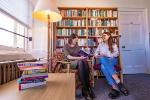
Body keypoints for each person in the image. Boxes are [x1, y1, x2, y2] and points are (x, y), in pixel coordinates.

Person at [94, 32, 129, 99]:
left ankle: (115, 87)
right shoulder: (100, 45)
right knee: (103, 64)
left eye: (105, 35)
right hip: (104, 60)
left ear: (109, 36)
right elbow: (95, 54)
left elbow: (116, 54)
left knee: (103, 64)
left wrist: (107, 55)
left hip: (112, 60)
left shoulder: (113, 44)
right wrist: (98, 55)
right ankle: (118, 83)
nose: (103, 37)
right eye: (102, 35)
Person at [63, 34, 95, 100]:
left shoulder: (77, 46)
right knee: (81, 61)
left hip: (77, 61)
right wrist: (79, 57)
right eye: (75, 40)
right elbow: (69, 57)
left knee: (84, 62)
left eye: (77, 40)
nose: (76, 41)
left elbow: (79, 53)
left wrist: (84, 54)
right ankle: (87, 89)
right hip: (69, 62)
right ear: (71, 39)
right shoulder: (65, 46)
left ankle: (86, 89)